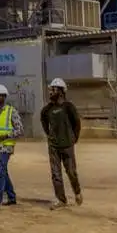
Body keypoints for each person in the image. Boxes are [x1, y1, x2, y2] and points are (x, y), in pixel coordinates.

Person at [41, 78, 84, 209]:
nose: (50, 92)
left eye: (53, 89)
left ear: (61, 91)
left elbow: (76, 123)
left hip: (67, 145)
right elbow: (44, 124)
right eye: (50, 89)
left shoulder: (68, 107)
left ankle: (77, 192)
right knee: (56, 174)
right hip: (53, 146)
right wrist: (50, 136)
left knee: (71, 171)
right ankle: (61, 200)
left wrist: (74, 138)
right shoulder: (47, 110)